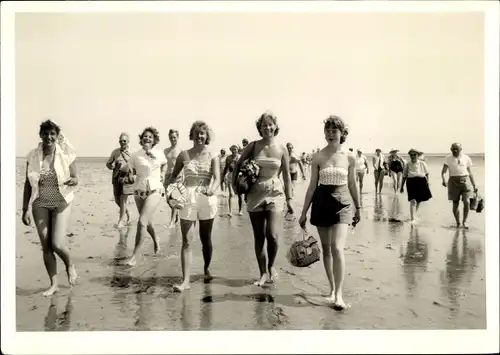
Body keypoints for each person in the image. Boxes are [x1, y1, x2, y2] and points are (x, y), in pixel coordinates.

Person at [298, 115, 361, 311]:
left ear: (342, 133)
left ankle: (339, 295)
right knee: (326, 250)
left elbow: (352, 184)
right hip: (321, 203)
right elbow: (311, 187)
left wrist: (359, 207)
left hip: (342, 204)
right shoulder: (318, 156)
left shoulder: (350, 156)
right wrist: (303, 212)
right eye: (327, 130)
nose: (330, 134)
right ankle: (332, 289)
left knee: (337, 248)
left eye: (334, 131)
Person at [233, 112, 293, 286]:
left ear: (275, 126)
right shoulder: (253, 146)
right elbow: (237, 164)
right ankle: (263, 273)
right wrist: (234, 185)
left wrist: (289, 199)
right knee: (259, 236)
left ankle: (272, 265)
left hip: (275, 192)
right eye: (264, 125)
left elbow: (287, 176)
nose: (267, 127)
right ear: (259, 128)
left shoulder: (282, 149)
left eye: (270, 124)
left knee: (272, 235)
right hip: (255, 193)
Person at [21, 119, 79, 296]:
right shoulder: (32, 156)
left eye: (52, 134)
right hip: (40, 202)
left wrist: (74, 180)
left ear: (57, 136)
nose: (49, 137)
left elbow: (75, 177)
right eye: (45, 133)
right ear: (40, 135)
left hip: (61, 201)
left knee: (56, 243)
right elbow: (27, 184)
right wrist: (24, 209)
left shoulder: (65, 154)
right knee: (46, 245)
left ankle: (69, 264)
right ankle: (53, 284)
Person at [168, 121, 221, 291]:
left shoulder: (213, 156)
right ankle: (186, 281)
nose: (199, 136)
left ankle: (206, 267)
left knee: (206, 239)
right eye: (196, 133)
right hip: (187, 198)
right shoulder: (183, 155)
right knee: (187, 241)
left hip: (206, 198)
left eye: (202, 133)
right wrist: (170, 195)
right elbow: (173, 177)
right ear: (191, 135)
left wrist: (212, 190)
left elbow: (218, 179)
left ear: (207, 136)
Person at [122, 127, 168, 266]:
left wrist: (163, 174)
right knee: (147, 222)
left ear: (154, 140)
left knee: (142, 221)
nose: (147, 139)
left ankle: (134, 256)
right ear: (141, 139)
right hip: (139, 190)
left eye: (150, 137)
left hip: (155, 189)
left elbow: (165, 164)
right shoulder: (135, 155)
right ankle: (156, 240)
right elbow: (128, 168)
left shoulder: (159, 153)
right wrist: (126, 173)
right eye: (145, 137)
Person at [441, 143, 478, 229]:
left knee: (467, 202)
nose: (455, 150)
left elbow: (470, 172)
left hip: (465, 181)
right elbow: (443, 172)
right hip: (453, 182)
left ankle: (464, 222)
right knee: (455, 203)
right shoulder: (448, 158)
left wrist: (474, 185)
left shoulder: (466, 158)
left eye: (457, 149)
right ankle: (458, 223)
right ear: (450, 149)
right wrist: (443, 180)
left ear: (461, 149)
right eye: (453, 149)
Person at [106, 133, 133, 228]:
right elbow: (108, 164)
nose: (122, 143)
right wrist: (111, 166)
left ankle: (121, 221)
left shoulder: (132, 153)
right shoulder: (115, 152)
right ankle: (128, 212)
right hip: (116, 177)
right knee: (117, 199)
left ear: (128, 141)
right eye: (121, 141)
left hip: (126, 179)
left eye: (124, 141)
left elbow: (136, 166)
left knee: (123, 199)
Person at [400, 149, 432, 224]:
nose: (413, 156)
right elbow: (404, 176)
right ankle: (412, 219)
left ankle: (413, 215)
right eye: (411, 155)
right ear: (409, 156)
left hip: (421, 181)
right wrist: (401, 186)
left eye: (414, 154)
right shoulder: (407, 164)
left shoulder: (422, 163)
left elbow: (427, 173)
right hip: (411, 182)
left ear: (417, 155)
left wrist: (427, 182)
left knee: (419, 200)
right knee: (413, 200)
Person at [163, 129, 182, 228]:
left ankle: (172, 222)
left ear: (177, 137)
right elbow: (162, 164)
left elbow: (185, 165)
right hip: (167, 176)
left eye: (174, 137)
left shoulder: (181, 150)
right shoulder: (166, 150)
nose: (172, 139)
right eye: (171, 137)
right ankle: (177, 215)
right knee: (168, 200)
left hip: (176, 176)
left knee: (173, 199)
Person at [222, 145, 243, 216]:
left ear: (238, 149)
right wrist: (223, 177)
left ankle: (240, 210)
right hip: (230, 176)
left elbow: (243, 166)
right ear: (231, 150)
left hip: (238, 176)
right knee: (231, 194)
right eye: (232, 149)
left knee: (240, 195)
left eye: (235, 149)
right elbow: (226, 167)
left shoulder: (240, 157)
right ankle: (230, 212)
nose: (234, 151)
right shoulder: (228, 158)